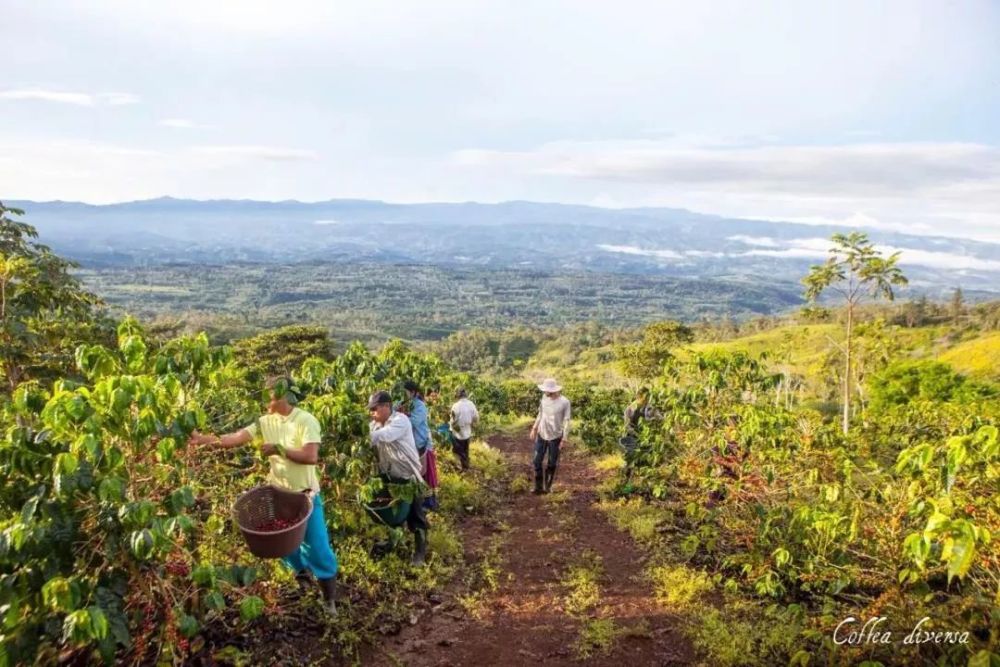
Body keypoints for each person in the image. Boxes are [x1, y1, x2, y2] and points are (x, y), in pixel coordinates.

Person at [188, 376, 339, 615]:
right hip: (278, 494)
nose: (264, 396)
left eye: (269, 392)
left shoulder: (305, 420)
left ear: (282, 395)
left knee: (318, 547)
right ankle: (303, 580)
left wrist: (279, 449)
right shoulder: (264, 422)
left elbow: (311, 456)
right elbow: (235, 438)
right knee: (285, 547)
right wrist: (203, 440)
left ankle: (329, 599)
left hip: (305, 497)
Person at [367, 390, 430, 566]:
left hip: (409, 476)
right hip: (392, 477)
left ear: (387, 406)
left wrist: (360, 435)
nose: (372, 413)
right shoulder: (376, 425)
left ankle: (420, 554)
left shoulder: (400, 420)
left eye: (375, 409)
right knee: (395, 514)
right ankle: (393, 544)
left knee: (416, 517)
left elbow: (384, 436)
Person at [529, 378, 571, 494]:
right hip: (542, 434)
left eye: (546, 390)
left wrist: (564, 438)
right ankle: (538, 487)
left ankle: (548, 487)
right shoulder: (544, 399)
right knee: (537, 461)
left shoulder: (564, 402)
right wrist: (534, 428)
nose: (544, 392)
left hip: (556, 436)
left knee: (552, 463)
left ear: (552, 390)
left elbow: (567, 420)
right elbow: (540, 414)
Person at [402, 380, 439, 511]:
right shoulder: (409, 404)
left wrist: (401, 417)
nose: (404, 395)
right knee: (419, 474)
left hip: (422, 443)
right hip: (414, 444)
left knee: (426, 474)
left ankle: (430, 503)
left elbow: (414, 422)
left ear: (412, 392)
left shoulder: (419, 405)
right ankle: (423, 501)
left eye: (405, 392)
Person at [449, 387, 479, 472]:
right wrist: (473, 424)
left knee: (458, 450)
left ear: (458, 395)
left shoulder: (456, 406)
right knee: (465, 449)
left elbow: (453, 421)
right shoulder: (471, 404)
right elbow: (476, 417)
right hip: (467, 431)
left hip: (457, 432)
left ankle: (460, 468)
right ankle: (466, 466)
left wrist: (453, 429)